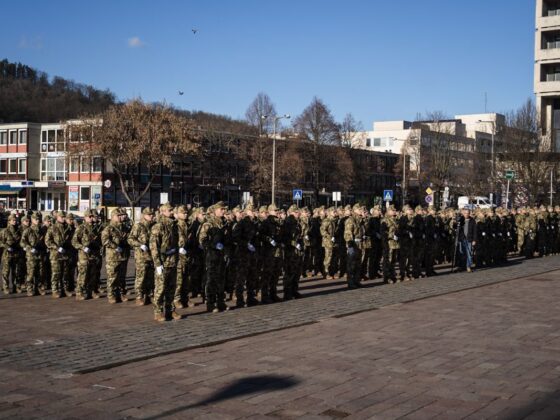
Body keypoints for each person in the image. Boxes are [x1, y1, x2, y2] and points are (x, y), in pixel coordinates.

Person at [150, 203, 180, 321]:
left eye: (172, 210)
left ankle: (170, 310)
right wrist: (157, 264)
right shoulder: (158, 226)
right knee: (160, 288)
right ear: (162, 212)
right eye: (169, 210)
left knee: (171, 288)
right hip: (163, 262)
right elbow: (154, 246)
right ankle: (157, 312)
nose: (172, 212)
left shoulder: (173, 225)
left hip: (172, 261)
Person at [198, 201, 228, 312]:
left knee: (221, 279)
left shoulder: (224, 223)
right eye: (221, 209)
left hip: (222, 255)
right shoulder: (208, 224)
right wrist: (214, 245)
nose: (224, 211)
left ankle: (221, 302)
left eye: (224, 209)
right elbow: (202, 240)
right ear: (215, 211)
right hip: (212, 255)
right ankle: (210, 303)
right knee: (211, 279)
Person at [72, 209, 103, 300]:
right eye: (91, 217)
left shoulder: (96, 228)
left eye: (94, 216)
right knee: (83, 274)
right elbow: (74, 241)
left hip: (94, 254)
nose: (93, 218)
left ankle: (91, 291)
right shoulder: (81, 228)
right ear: (87, 217)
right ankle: (79, 292)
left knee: (93, 274)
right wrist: (82, 247)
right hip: (84, 255)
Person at [128, 207, 155, 306]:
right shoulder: (138, 226)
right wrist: (140, 244)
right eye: (149, 214)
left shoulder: (154, 226)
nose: (151, 216)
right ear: (144, 215)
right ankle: (139, 296)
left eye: (152, 214)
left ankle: (149, 295)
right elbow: (130, 239)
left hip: (152, 256)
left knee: (151, 276)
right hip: (141, 256)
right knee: (141, 277)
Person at [101, 209, 129, 303]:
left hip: (123, 256)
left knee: (122, 277)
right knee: (112, 277)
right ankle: (111, 295)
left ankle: (121, 294)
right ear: (113, 217)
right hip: (113, 257)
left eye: (122, 215)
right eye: (119, 215)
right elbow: (105, 240)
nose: (121, 217)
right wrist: (115, 246)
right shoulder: (109, 228)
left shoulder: (124, 227)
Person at [45, 211, 73, 297]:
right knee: (56, 273)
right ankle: (55, 290)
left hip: (65, 254)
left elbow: (72, 240)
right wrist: (57, 247)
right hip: (55, 255)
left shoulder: (68, 228)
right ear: (57, 217)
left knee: (65, 273)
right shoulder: (53, 228)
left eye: (64, 217)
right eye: (61, 217)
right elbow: (47, 241)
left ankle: (65, 290)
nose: (63, 218)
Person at [20, 213, 45, 296]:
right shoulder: (28, 230)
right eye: (36, 219)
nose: (38, 220)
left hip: (40, 254)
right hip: (31, 255)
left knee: (40, 272)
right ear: (32, 220)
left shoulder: (41, 230)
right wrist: (30, 248)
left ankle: (38, 288)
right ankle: (30, 289)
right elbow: (22, 242)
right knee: (31, 272)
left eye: (38, 219)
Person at [458, 208, 477, 272]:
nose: (467, 214)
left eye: (468, 213)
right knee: (462, 253)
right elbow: (457, 229)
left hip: (469, 239)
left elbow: (475, 231)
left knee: (469, 253)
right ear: (463, 213)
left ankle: (468, 266)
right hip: (462, 239)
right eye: (465, 213)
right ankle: (462, 266)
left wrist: (474, 240)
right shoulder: (460, 220)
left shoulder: (472, 220)